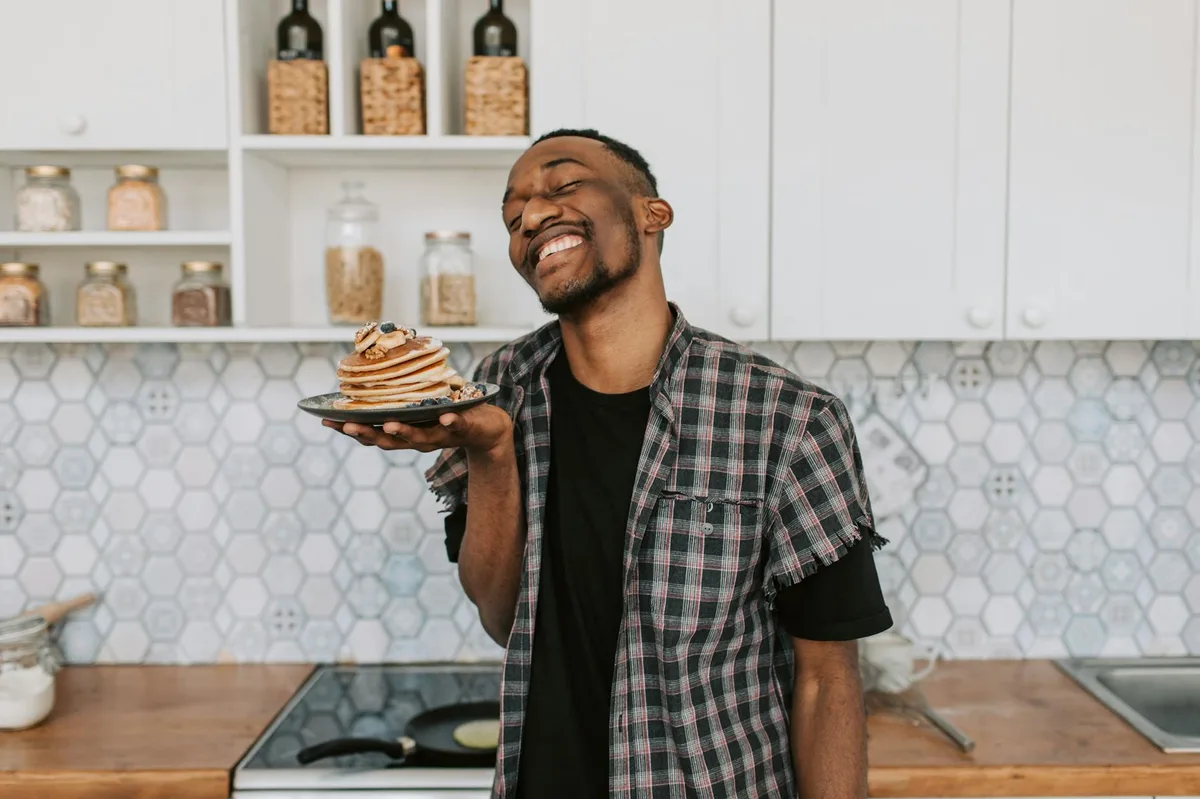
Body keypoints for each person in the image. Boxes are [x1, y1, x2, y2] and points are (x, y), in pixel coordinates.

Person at [323, 129, 893, 798]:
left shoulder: (785, 417)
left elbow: (827, 677)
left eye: (562, 187)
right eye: (513, 215)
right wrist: (492, 451)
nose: (532, 216)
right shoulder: (494, 387)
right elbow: (506, 619)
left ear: (652, 213)